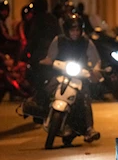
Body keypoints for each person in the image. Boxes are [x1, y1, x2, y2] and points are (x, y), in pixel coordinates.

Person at [39, 14, 102, 143]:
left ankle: (89, 129)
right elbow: (50, 57)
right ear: (67, 30)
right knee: (47, 88)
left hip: (79, 77)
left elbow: (95, 60)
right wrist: (45, 62)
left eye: (77, 30)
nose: (75, 33)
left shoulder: (86, 42)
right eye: (72, 30)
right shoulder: (58, 40)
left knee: (85, 96)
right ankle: (39, 111)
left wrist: (95, 71)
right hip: (60, 74)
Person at [27, 0, 61, 95]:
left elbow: (32, 38)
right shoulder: (51, 18)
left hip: (41, 54)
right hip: (51, 54)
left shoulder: (36, 20)